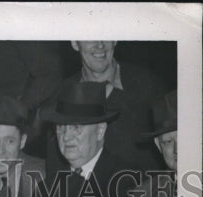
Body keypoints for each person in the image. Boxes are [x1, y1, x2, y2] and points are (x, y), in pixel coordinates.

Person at [60, 41, 166, 173]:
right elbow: (57, 167)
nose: (100, 45)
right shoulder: (63, 92)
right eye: (91, 37)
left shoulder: (147, 85)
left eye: (106, 35)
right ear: (75, 43)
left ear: (115, 40)